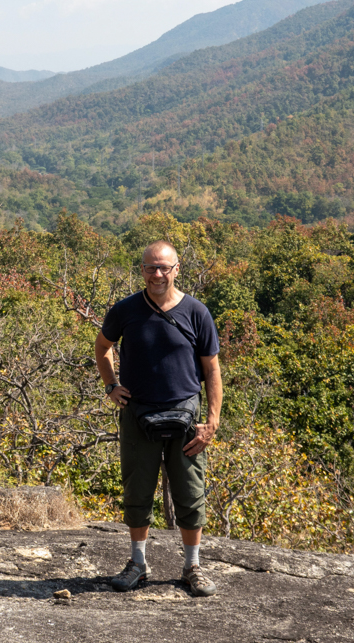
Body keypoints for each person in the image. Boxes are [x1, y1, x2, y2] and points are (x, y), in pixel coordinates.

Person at [94, 240, 222, 597]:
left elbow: (212, 371)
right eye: (151, 267)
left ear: (177, 269)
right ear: (142, 271)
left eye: (164, 267)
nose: (158, 274)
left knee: (191, 494)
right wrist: (111, 386)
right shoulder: (126, 310)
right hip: (138, 415)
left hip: (187, 417)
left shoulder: (197, 312)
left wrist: (211, 422)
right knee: (137, 491)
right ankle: (138, 563)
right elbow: (102, 347)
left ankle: (192, 566)